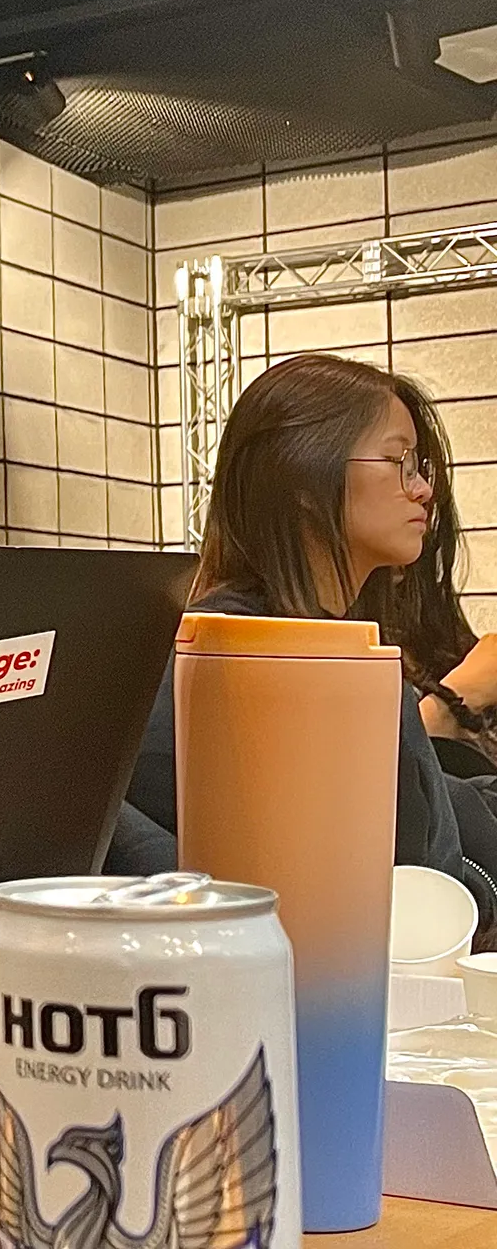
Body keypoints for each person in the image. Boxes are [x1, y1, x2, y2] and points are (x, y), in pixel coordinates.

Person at [107, 354, 497, 928]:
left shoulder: (331, 645)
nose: (422, 490)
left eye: (420, 467)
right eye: (399, 462)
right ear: (304, 478)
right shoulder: (229, 652)